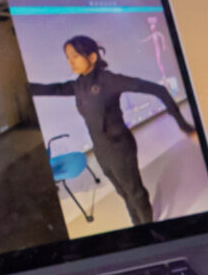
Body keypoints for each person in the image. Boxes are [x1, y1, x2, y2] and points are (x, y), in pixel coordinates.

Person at [29, 35, 196, 226]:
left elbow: (159, 90)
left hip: (120, 147)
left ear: (92, 57)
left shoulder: (109, 80)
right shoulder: (78, 85)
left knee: (134, 192)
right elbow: (50, 89)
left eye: (75, 56)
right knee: (123, 192)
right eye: (68, 57)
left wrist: (183, 124)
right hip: (101, 151)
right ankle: (137, 224)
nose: (70, 61)